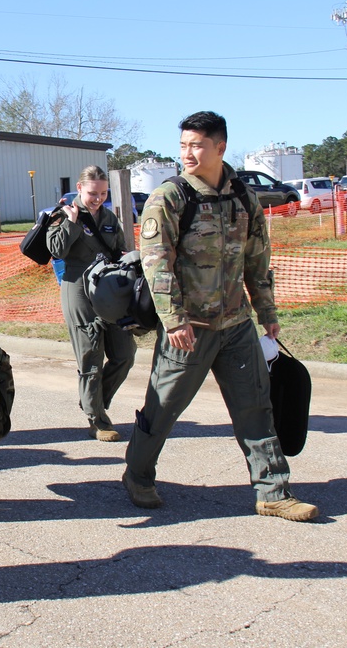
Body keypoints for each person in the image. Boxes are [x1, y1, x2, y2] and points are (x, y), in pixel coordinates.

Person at [122, 111, 319, 522]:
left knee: (255, 406)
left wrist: (266, 311)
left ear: (220, 147)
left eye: (197, 145)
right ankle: (138, 475)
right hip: (188, 330)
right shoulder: (170, 197)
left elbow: (257, 259)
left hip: (236, 325)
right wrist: (173, 320)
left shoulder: (244, 197)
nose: (188, 153)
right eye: (183, 146)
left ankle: (273, 492)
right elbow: (156, 264)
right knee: (163, 408)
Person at [47, 165, 136, 442]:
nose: (98, 198)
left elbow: (119, 248)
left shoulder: (108, 216)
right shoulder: (62, 214)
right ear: (79, 188)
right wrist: (72, 223)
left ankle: (93, 401)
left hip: (108, 289)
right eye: (92, 193)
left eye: (103, 193)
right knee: (91, 355)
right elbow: (56, 250)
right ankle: (97, 420)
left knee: (124, 354)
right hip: (78, 288)